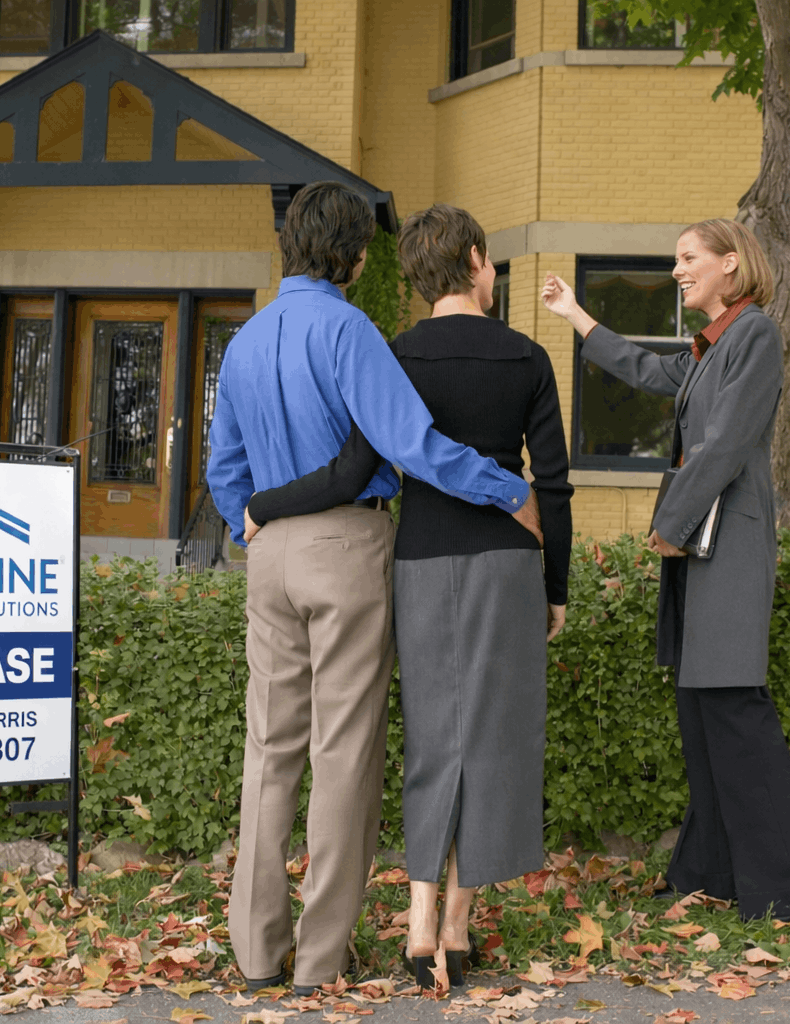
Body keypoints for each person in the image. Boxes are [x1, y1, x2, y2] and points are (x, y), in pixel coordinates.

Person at [206, 183, 541, 995]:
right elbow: (414, 445)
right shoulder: (351, 330)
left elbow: (224, 470)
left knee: (269, 752)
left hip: (269, 552)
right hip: (346, 546)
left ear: (291, 248)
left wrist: (250, 523)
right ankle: (321, 958)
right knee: (343, 753)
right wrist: (507, 489)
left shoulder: (246, 340)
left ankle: (255, 952)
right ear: (356, 258)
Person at [539, 219, 790, 921]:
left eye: (688, 258)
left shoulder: (755, 335)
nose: (677, 270)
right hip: (702, 549)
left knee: (734, 709)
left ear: (730, 264)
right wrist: (576, 315)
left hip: (724, 548)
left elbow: (725, 444)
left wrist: (669, 527)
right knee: (703, 712)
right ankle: (709, 871)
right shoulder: (712, 347)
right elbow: (649, 372)